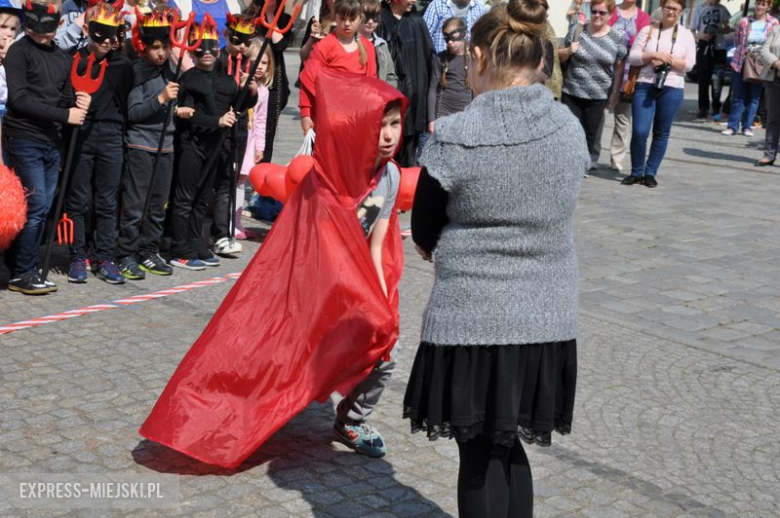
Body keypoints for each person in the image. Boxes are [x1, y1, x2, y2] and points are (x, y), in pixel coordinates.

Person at [140, 70, 407, 468]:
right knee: (267, 358)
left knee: (387, 350)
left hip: (354, 288)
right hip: (309, 289)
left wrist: (382, 301)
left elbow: (376, 244)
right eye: (380, 125)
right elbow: (308, 249)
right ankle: (230, 415)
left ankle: (352, 420)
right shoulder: (328, 180)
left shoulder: (391, 176)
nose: (389, 135)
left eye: (395, 125)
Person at [404, 0, 587, 514]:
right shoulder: (569, 128)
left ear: (478, 56)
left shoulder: (458, 136)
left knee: (479, 453)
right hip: (546, 319)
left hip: (473, 321)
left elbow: (423, 228)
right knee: (508, 445)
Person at [3, 0, 90, 295]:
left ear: (58, 27)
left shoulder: (62, 58)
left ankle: (24, 266)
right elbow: (20, 99)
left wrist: (79, 101)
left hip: (52, 142)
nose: (40, 35)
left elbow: (65, 97)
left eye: (47, 30)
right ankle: (22, 271)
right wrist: (66, 114)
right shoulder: (19, 51)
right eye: (35, 29)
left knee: (43, 207)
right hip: (24, 138)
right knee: (36, 206)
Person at [64, 2, 133, 285]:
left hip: (111, 135)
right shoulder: (73, 60)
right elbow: (62, 100)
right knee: (78, 199)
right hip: (81, 134)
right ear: (86, 30)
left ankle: (105, 256)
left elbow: (125, 100)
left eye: (111, 35)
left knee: (107, 201)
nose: (106, 41)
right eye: (99, 34)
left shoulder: (123, 65)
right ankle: (77, 255)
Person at [115, 6, 180, 280]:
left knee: (158, 206)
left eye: (164, 47)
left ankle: (148, 251)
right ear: (144, 47)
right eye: (155, 48)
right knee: (135, 206)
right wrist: (161, 100)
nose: (161, 53)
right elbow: (134, 113)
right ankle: (125, 254)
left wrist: (176, 109)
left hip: (166, 146)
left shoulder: (170, 72)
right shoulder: (137, 72)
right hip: (141, 146)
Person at [168, 14, 236, 270]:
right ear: (193, 52)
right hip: (191, 145)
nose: (207, 53)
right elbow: (188, 113)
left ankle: (197, 242)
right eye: (200, 48)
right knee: (185, 198)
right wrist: (217, 122)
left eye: (211, 48)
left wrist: (249, 94)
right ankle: (179, 247)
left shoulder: (225, 80)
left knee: (202, 197)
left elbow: (237, 101)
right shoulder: (189, 79)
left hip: (214, 148)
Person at [623, 0, 695, 188]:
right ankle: (636, 171)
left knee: (661, 132)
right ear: (662, 8)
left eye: (675, 9)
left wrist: (668, 60)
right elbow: (633, 57)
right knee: (640, 131)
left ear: (681, 12)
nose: (670, 11)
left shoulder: (686, 35)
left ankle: (650, 172)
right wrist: (653, 56)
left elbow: (689, 64)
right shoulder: (647, 31)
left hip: (672, 86)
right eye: (668, 7)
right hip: (645, 84)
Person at [211, 13, 258, 256]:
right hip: (217, 127)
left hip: (238, 129)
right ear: (227, 35)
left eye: (248, 42)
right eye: (238, 40)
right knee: (216, 181)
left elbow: (248, 101)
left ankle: (224, 231)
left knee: (229, 182)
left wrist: (251, 91)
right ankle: (215, 232)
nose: (243, 46)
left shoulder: (248, 63)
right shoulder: (217, 59)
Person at [559, 0, 627, 171]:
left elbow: (619, 67)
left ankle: (584, 164)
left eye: (602, 13)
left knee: (591, 132)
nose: (597, 15)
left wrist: (615, 92)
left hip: (598, 93)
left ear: (610, 15)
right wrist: (568, 51)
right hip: (572, 90)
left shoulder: (617, 37)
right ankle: (569, 164)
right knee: (570, 129)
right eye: (594, 11)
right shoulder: (577, 30)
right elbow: (560, 56)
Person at [298, 0, 377, 134]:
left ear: (360, 19)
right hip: (327, 117)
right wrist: (305, 114)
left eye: (352, 19)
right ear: (336, 17)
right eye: (343, 18)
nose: (347, 24)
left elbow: (372, 84)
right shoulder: (325, 45)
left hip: (356, 117)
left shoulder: (367, 47)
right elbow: (308, 81)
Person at [376, 0, 433, 166]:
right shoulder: (379, 19)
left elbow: (428, 60)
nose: (413, 1)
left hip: (413, 100)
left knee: (408, 157)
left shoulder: (417, 21)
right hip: (387, 99)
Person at [722, 0, 777, 137]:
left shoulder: (774, 23)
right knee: (738, 96)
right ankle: (732, 126)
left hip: (760, 63)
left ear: (768, 7)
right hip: (741, 61)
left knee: (754, 97)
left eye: (763, 4)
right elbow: (737, 40)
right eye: (758, 3)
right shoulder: (744, 21)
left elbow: (774, 44)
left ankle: (747, 126)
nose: (759, 7)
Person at [607, 0, 651, 171]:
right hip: (605, 67)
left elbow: (643, 42)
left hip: (628, 73)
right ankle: (592, 153)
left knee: (623, 117)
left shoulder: (643, 17)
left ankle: (616, 157)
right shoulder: (610, 11)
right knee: (598, 115)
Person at [236, 39, 273, 240]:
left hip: (249, 141)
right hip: (237, 138)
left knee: (241, 183)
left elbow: (261, 121)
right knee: (230, 183)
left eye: (265, 63)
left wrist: (260, 147)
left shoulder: (264, 91)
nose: (260, 67)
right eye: (256, 61)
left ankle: (237, 221)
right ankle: (226, 222)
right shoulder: (237, 81)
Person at [427, 17, 471, 134]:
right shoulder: (440, 59)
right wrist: (431, 119)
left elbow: (477, 91)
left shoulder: (473, 59)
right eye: (446, 39)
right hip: (443, 114)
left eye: (453, 38)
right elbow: (432, 89)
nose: (449, 42)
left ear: (464, 35)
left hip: (465, 115)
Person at [690, 0, 731, 121]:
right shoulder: (698, 8)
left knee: (717, 79)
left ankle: (716, 107)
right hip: (704, 47)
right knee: (703, 79)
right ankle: (703, 108)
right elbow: (692, 30)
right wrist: (700, 36)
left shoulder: (722, 9)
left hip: (719, 48)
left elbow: (728, 28)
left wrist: (720, 31)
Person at [0, 0, 22, 161]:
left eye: (13, 29)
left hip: (11, 117)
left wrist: (11, 60)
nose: (8, 33)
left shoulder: (17, 55)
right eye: (3, 27)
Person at [757, 22, 780, 165]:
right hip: (775, 79)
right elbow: (763, 51)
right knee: (773, 119)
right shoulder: (776, 30)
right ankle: (769, 154)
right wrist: (777, 63)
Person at [360, 0, 396, 87]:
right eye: (367, 16)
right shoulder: (351, 43)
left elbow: (390, 75)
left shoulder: (381, 45)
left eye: (374, 17)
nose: (370, 22)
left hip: (379, 96)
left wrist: (387, 92)